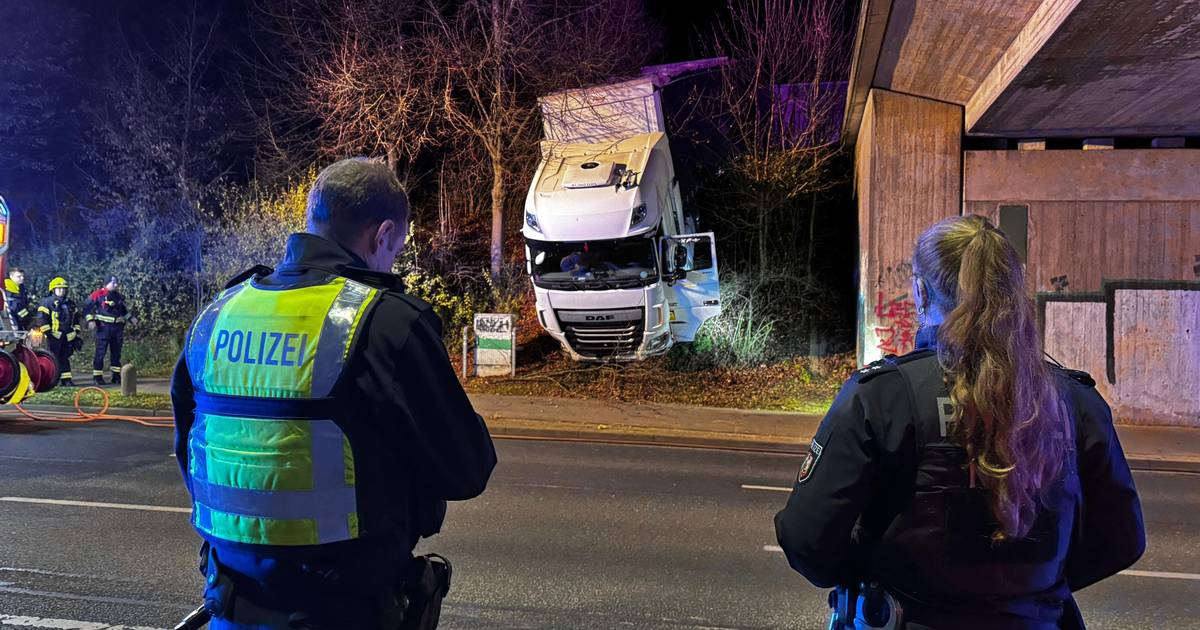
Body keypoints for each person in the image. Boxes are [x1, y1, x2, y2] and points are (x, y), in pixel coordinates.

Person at [171, 157, 497, 629]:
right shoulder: (386, 321)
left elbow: (190, 451)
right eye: (396, 248)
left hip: (234, 603)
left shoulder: (218, 315)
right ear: (383, 235)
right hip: (346, 607)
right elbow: (466, 471)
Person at [775, 215, 1145, 630]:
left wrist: (868, 576)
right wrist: (1033, 591)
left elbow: (806, 541)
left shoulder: (882, 396)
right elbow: (1122, 538)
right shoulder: (1075, 400)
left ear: (919, 290)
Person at [34, 276, 82, 387]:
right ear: (53, 290)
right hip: (54, 335)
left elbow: (76, 319)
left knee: (65, 357)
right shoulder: (46, 302)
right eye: (59, 288)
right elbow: (41, 319)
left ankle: (66, 379)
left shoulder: (70, 303)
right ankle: (53, 379)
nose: (62, 290)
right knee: (53, 357)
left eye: (63, 288)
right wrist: (49, 333)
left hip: (68, 335)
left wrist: (76, 332)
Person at [85, 275, 129, 385]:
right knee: (100, 352)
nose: (116, 285)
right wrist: (91, 320)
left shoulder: (118, 296)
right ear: (106, 283)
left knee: (116, 353)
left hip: (117, 328)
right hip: (103, 328)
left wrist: (131, 318)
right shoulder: (97, 295)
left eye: (116, 282)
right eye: (113, 282)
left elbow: (123, 309)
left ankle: (116, 375)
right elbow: (87, 307)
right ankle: (97, 376)